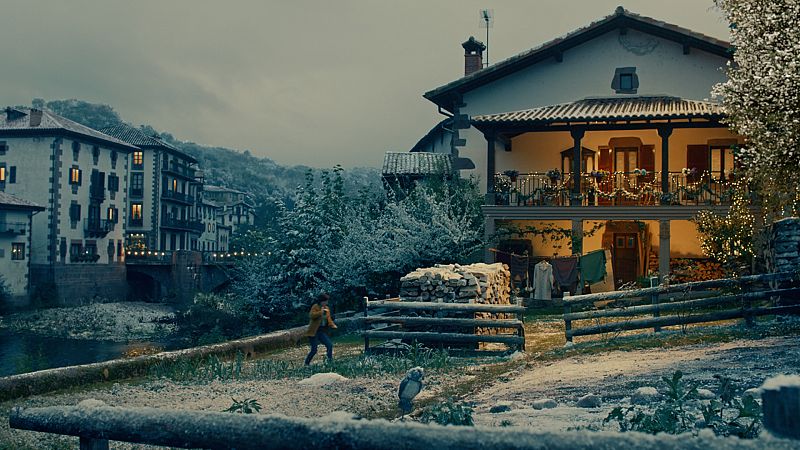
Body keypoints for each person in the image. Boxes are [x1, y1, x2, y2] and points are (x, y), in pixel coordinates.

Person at [304, 293, 337, 366]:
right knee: (314, 350)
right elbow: (311, 315)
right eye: (325, 301)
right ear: (321, 301)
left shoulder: (327, 308)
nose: (326, 303)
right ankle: (306, 363)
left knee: (329, 345)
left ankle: (329, 362)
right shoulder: (315, 306)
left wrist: (333, 325)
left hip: (321, 331)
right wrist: (320, 312)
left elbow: (329, 319)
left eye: (327, 301)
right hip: (313, 332)